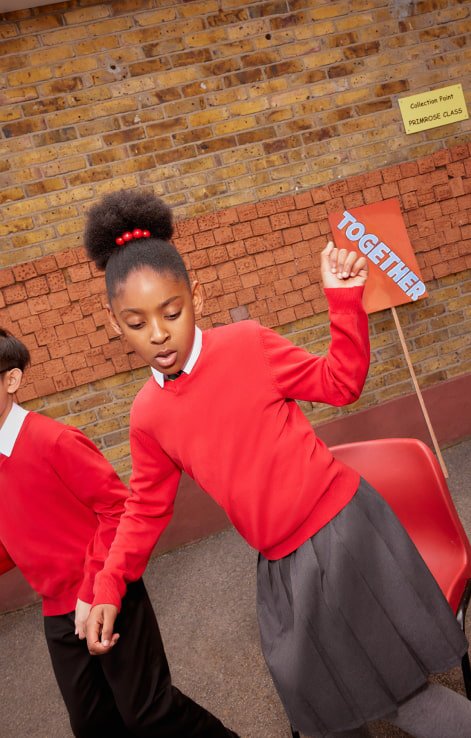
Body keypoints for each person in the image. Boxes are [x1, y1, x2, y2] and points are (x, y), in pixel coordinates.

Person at [83, 190, 471, 738]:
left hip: (341, 535)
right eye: (136, 322)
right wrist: (107, 586)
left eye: (172, 312)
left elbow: (341, 383)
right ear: (113, 323)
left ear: (197, 296)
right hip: (282, 564)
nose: (159, 333)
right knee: (322, 712)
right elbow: (144, 509)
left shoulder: (247, 345)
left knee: (405, 702)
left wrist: (342, 302)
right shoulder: (147, 414)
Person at [0, 327, 238, 738]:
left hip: (105, 594)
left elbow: (117, 509)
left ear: (12, 380)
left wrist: (91, 590)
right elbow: (13, 538)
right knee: (92, 724)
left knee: (149, 712)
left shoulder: (54, 441)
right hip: (56, 612)